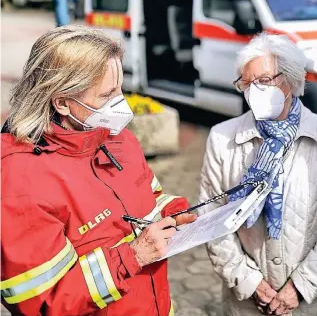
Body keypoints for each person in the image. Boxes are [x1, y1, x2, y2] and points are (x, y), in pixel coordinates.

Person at [1, 26, 197, 316]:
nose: (121, 104)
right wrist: (134, 255)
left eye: (120, 89)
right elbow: (44, 302)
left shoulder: (117, 138)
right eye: (107, 95)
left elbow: (148, 197)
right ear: (63, 103)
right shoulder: (20, 179)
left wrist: (172, 213)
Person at [198, 33, 317, 316]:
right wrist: (251, 283)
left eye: (264, 81)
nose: (253, 90)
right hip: (246, 304)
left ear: (292, 80)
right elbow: (211, 220)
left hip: (315, 304)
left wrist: (301, 287)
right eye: (246, 83)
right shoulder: (222, 138)